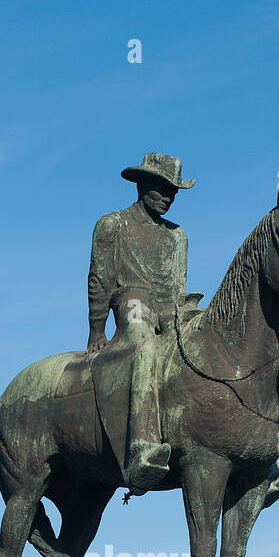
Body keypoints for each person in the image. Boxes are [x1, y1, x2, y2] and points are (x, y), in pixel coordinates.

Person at [87, 152, 195, 491]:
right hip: (131, 301)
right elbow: (99, 280)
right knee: (145, 345)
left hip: (172, 308)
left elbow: (179, 287)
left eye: (173, 191)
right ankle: (142, 446)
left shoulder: (178, 236)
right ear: (142, 184)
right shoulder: (112, 225)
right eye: (162, 188)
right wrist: (96, 331)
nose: (168, 197)